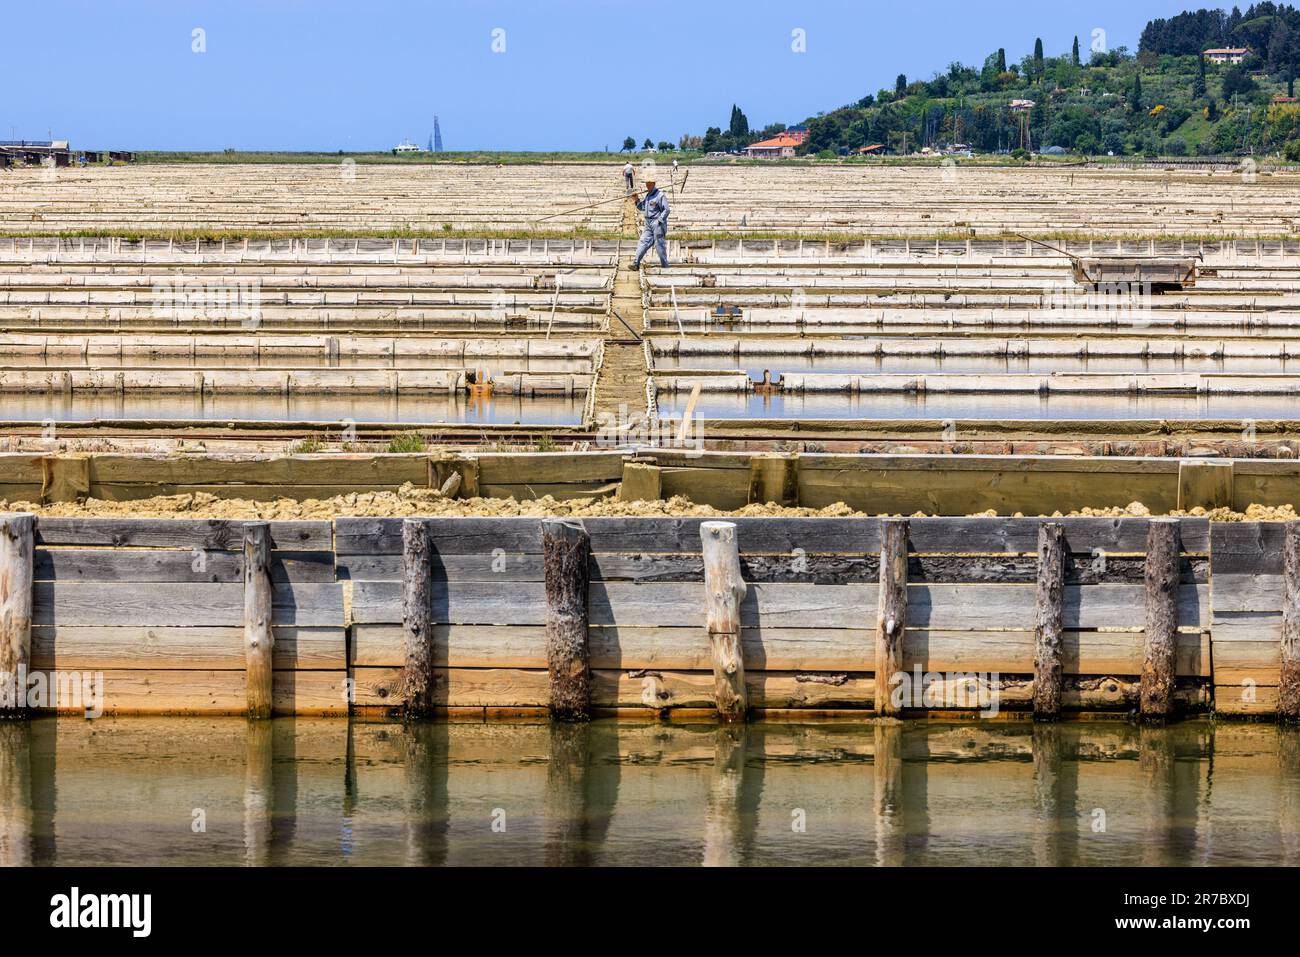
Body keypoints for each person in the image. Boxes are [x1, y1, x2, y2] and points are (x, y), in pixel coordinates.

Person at [632, 175, 669, 269]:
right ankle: (636, 264)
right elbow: (642, 207)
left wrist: (659, 220)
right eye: (646, 184)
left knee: (659, 245)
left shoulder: (660, 195)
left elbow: (666, 210)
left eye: (649, 184)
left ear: (654, 184)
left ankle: (665, 266)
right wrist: (636, 199)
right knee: (643, 242)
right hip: (648, 223)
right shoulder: (648, 195)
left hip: (657, 223)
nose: (647, 186)